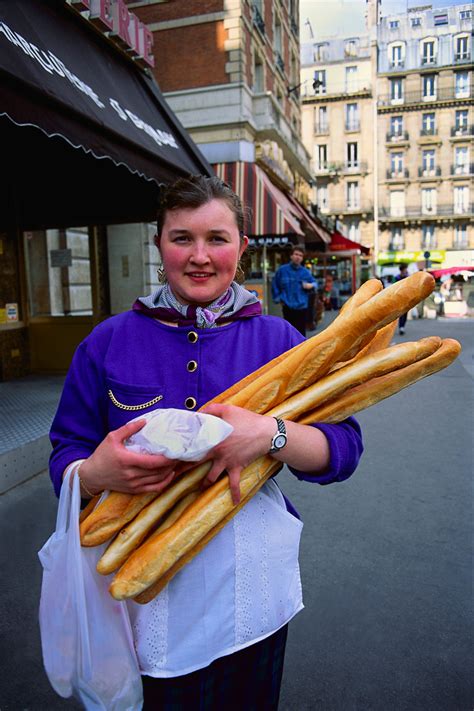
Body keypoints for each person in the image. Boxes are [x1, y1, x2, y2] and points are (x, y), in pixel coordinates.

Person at [49, 175, 363, 711]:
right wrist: (94, 473)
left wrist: (269, 434)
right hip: (143, 596)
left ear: (241, 248)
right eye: (181, 238)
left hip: (253, 592)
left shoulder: (279, 341)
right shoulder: (108, 340)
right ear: (158, 246)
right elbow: (66, 451)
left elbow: (342, 451)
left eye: (217, 239)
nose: (199, 256)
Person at [271, 245, 317, 336]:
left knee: (300, 333)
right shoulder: (282, 270)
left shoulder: (306, 272)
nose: (298, 257)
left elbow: (315, 284)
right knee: (288, 332)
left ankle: (302, 350)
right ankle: (290, 350)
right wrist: (278, 299)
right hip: (287, 307)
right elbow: (275, 285)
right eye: (296, 254)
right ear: (291, 256)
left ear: (302, 258)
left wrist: (311, 285)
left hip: (302, 307)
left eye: (300, 255)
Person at [395, 263, 409, 334]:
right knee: (401, 313)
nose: (406, 270)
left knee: (405, 313)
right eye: (405, 268)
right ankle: (401, 327)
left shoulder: (407, 277)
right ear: (402, 269)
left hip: (407, 297)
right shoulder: (397, 277)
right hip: (400, 297)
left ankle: (402, 326)